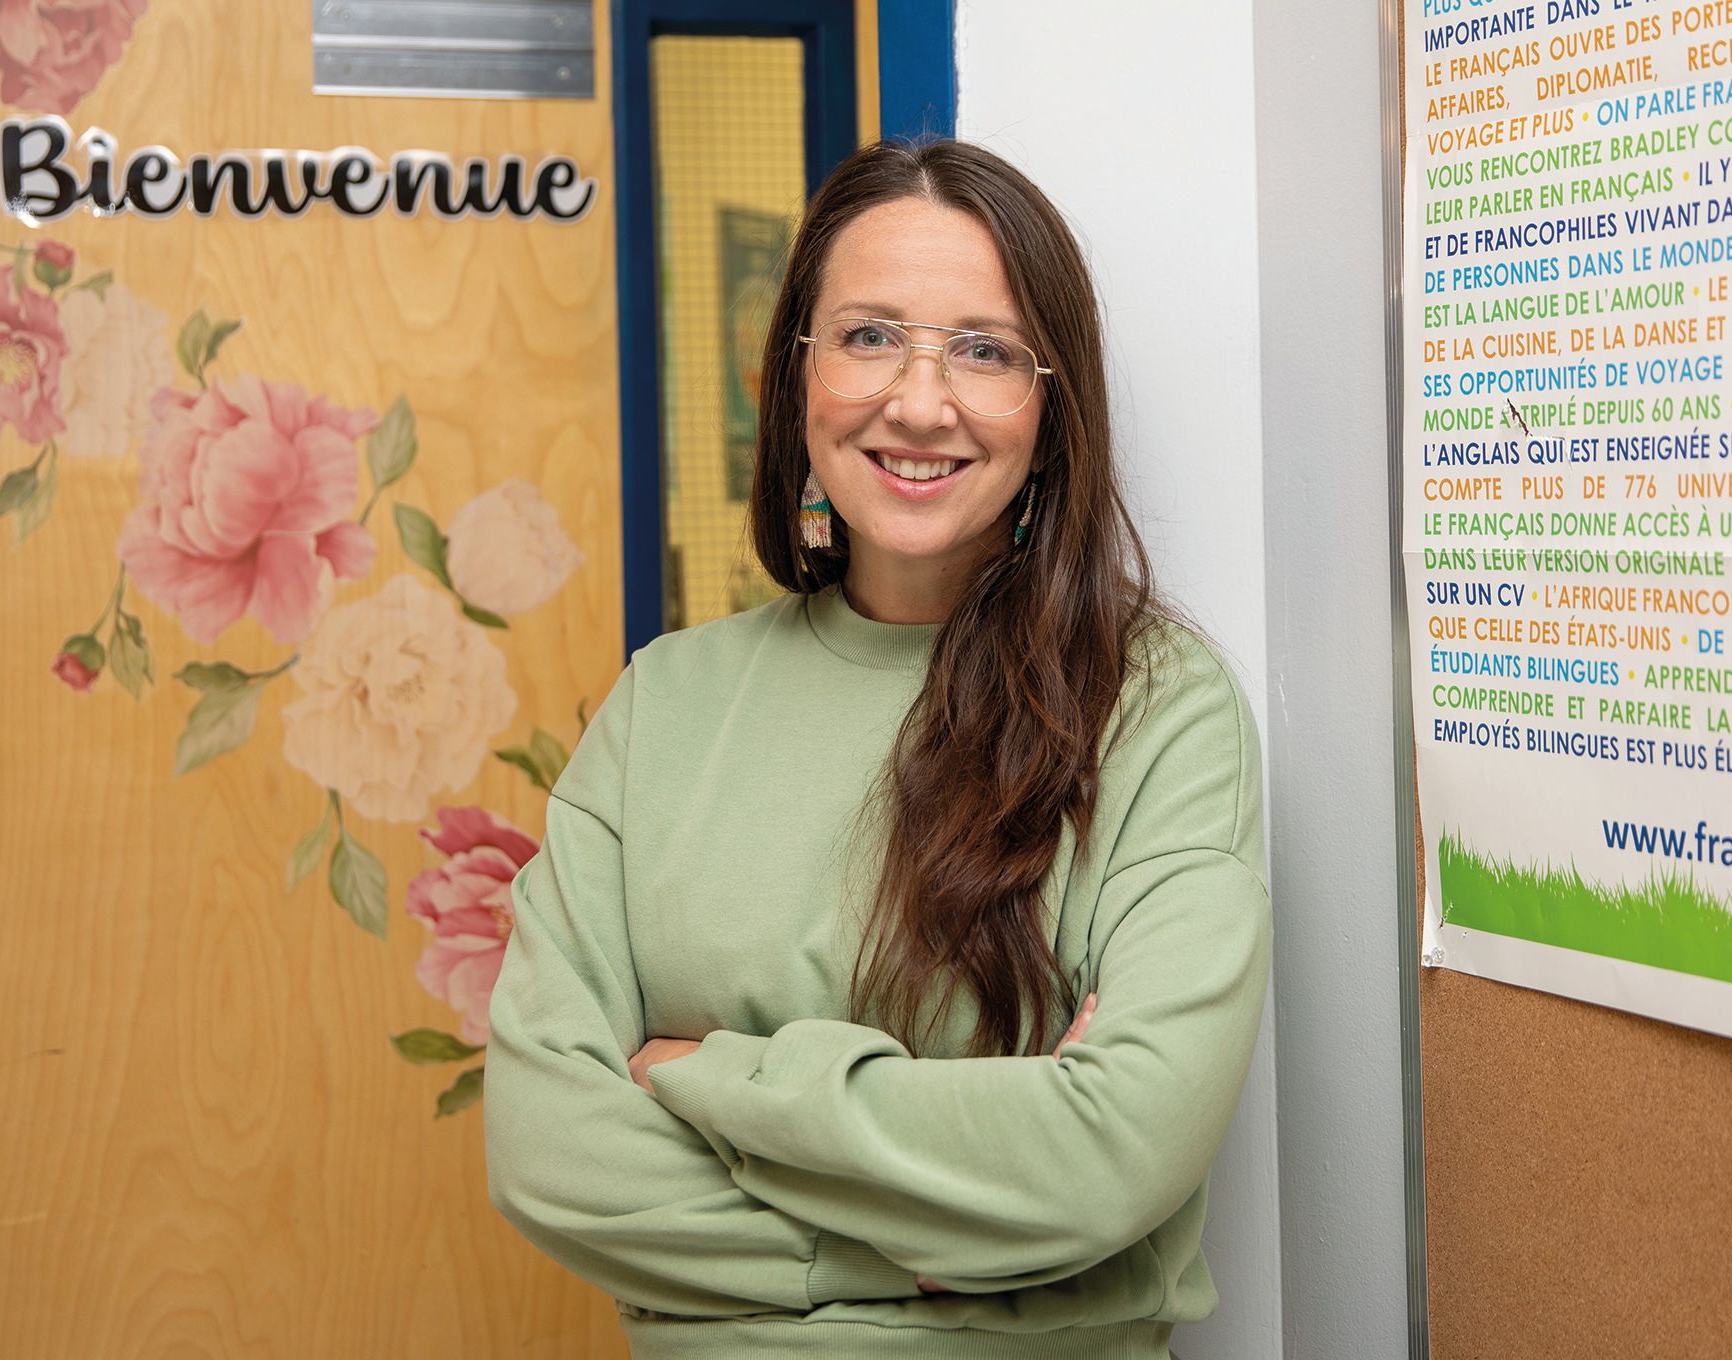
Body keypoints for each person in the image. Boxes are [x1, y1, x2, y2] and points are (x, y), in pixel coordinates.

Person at [483, 137, 1270, 1359]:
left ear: (1052, 411)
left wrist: (714, 1081)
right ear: (796, 376)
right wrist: (968, 1253)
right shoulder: (665, 704)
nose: (918, 399)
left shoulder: (1157, 708)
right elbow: (548, 1150)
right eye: (867, 336)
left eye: (985, 349)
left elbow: (1110, 1156)